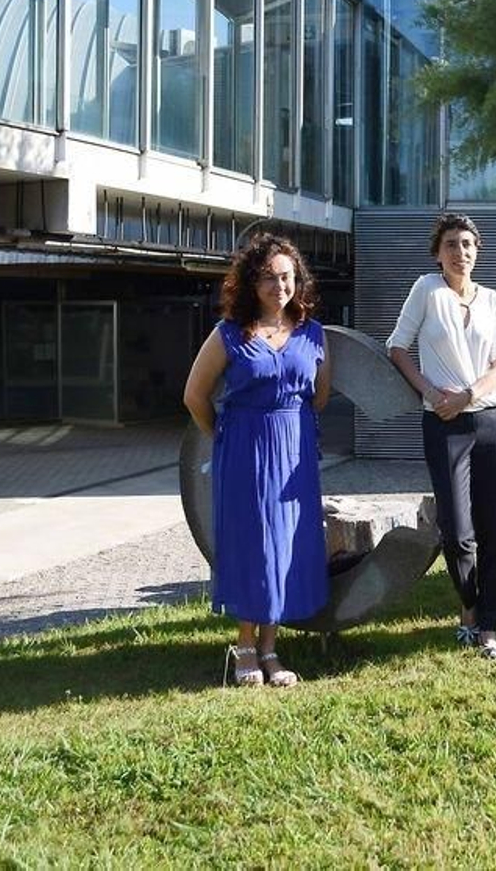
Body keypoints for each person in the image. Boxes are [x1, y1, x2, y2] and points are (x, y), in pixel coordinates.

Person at [183, 234, 331, 687]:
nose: (278, 285)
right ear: (251, 281)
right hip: (244, 449)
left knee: (286, 546)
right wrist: (225, 435)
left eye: (286, 276)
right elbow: (195, 396)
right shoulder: (229, 333)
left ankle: (270, 649)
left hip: (295, 454)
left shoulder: (313, 333)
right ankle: (245, 645)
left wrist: (292, 431)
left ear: (297, 280)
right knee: (252, 545)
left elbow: (319, 397)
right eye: (268, 277)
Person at [387, 213, 496, 661]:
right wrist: (430, 392)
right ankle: (470, 607)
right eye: (451, 245)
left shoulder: (493, 299)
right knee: (457, 530)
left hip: (492, 417)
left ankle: (488, 627)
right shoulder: (426, 290)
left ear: (477, 250)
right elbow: (397, 347)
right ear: (437, 253)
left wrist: (468, 394)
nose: (461, 252)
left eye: (467, 244)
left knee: (492, 527)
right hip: (442, 421)